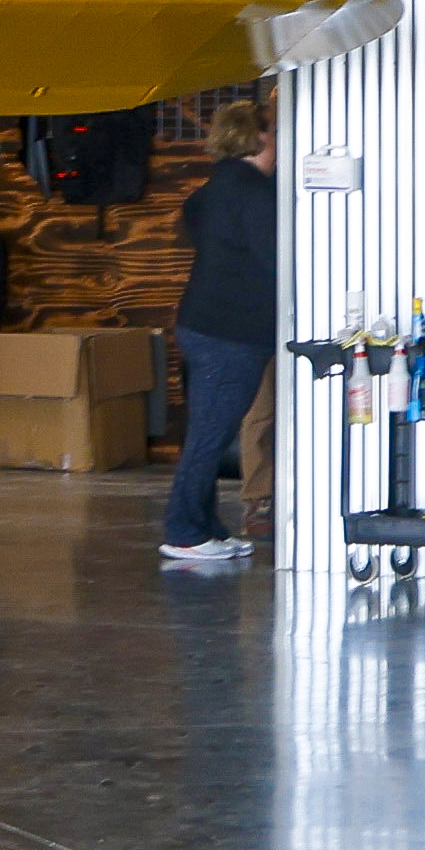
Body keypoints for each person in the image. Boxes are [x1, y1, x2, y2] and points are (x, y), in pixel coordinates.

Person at [160, 126, 280, 574]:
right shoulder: (254, 194)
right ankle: (184, 533)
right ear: (258, 139)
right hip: (231, 333)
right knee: (209, 434)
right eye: (275, 134)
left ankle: (206, 528)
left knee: (207, 430)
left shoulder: (211, 189)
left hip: (202, 323)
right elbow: (277, 258)